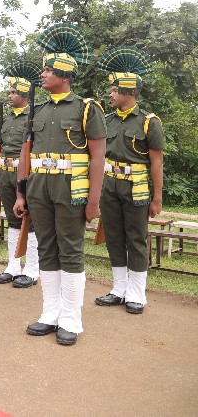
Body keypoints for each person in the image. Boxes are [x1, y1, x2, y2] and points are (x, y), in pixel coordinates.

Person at [14, 23, 106, 346]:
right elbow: (28, 154)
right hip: (40, 190)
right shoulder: (36, 112)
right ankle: (49, 313)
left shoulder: (85, 110)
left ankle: (71, 318)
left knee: (70, 251)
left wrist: (94, 201)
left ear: (65, 76)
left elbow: (98, 157)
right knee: (46, 249)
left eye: (49, 70)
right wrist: (21, 192)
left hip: (72, 191)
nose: (43, 75)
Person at [94, 46, 163, 314]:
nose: (111, 94)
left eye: (115, 90)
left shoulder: (148, 122)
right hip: (109, 186)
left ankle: (136, 293)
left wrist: (157, 198)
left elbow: (156, 161)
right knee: (113, 236)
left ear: (129, 93)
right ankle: (118, 289)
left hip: (137, 187)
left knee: (135, 238)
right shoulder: (107, 120)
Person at [0, 62, 41, 288]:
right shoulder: (7, 119)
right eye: (9, 92)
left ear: (24, 95)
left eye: (13, 92)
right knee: (12, 220)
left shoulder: (34, 117)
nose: (9, 95)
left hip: (25, 175)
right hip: (6, 175)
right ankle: (12, 266)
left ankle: (31, 269)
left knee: (29, 222)